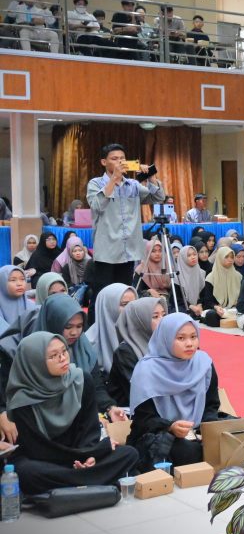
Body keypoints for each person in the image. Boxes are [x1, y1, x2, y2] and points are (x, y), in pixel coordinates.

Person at [5, 331, 140, 495]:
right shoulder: (23, 399)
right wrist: (91, 453)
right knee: (24, 471)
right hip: (44, 459)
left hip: (80, 454)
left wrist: (89, 457)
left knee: (129, 454)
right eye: (53, 356)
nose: (63, 358)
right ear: (35, 362)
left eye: (64, 351)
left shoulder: (80, 380)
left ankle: (72, 485)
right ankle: (91, 481)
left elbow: (89, 431)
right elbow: (37, 449)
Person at [128, 314, 221, 469]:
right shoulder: (147, 370)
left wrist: (208, 429)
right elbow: (143, 420)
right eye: (181, 338)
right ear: (166, 338)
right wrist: (170, 426)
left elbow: (211, 404)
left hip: (196, 429)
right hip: (159, 432)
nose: (190, 344)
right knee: (187, 451)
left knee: (232, 434)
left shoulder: (203, 363)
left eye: (193, 337)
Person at [87, 143, 165, 301]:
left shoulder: (133, 185)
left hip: (128, 250)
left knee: (124, 296)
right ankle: (97, 325)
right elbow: (97, 205)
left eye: (122, 159)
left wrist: (151, 177)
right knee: (103, 296)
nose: (119, 162)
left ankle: (122, 325)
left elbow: (158, 198)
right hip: (107, 251)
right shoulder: (95, 184)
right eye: (114, 159)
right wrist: (114, 179)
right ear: (104, 162)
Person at [107, 297, 165, 408]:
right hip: (130, 413)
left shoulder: (163, 344)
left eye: (164, 315)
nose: (162, 320)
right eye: (155, 317)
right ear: (140, 321)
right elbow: (140, 392)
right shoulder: (126, 352)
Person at [84, 283, 137, 385]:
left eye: (134, 303)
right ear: (108, 307)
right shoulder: (88, 344)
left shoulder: (140, 333)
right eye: (125, 304)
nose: (131, 309)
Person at [198, 247, 242, 327]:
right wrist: (216, 307)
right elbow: (208, 301)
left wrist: (237, 303)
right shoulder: (211, 277)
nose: (230, 259)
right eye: (226, 257)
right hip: (217, 310)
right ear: (220, 258)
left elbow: (242, 297)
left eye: (232, 257)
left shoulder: (238, 276)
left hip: (233, 309)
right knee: (212, 315)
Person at [57, 237, 92, 304]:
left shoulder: (90, 264)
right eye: (74, 251)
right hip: (74, 291)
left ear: (84, 252)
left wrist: (84, 288)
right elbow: (66, 283)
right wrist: (78, 288)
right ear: (71, 253)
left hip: (87, 290)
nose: (78, 253)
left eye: (80, 250)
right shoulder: (67, 267)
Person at [0, 266, 32, 335]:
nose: (19, 284)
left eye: (22, 279)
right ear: (2, 282)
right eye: (13, 280)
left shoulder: (32, 306)